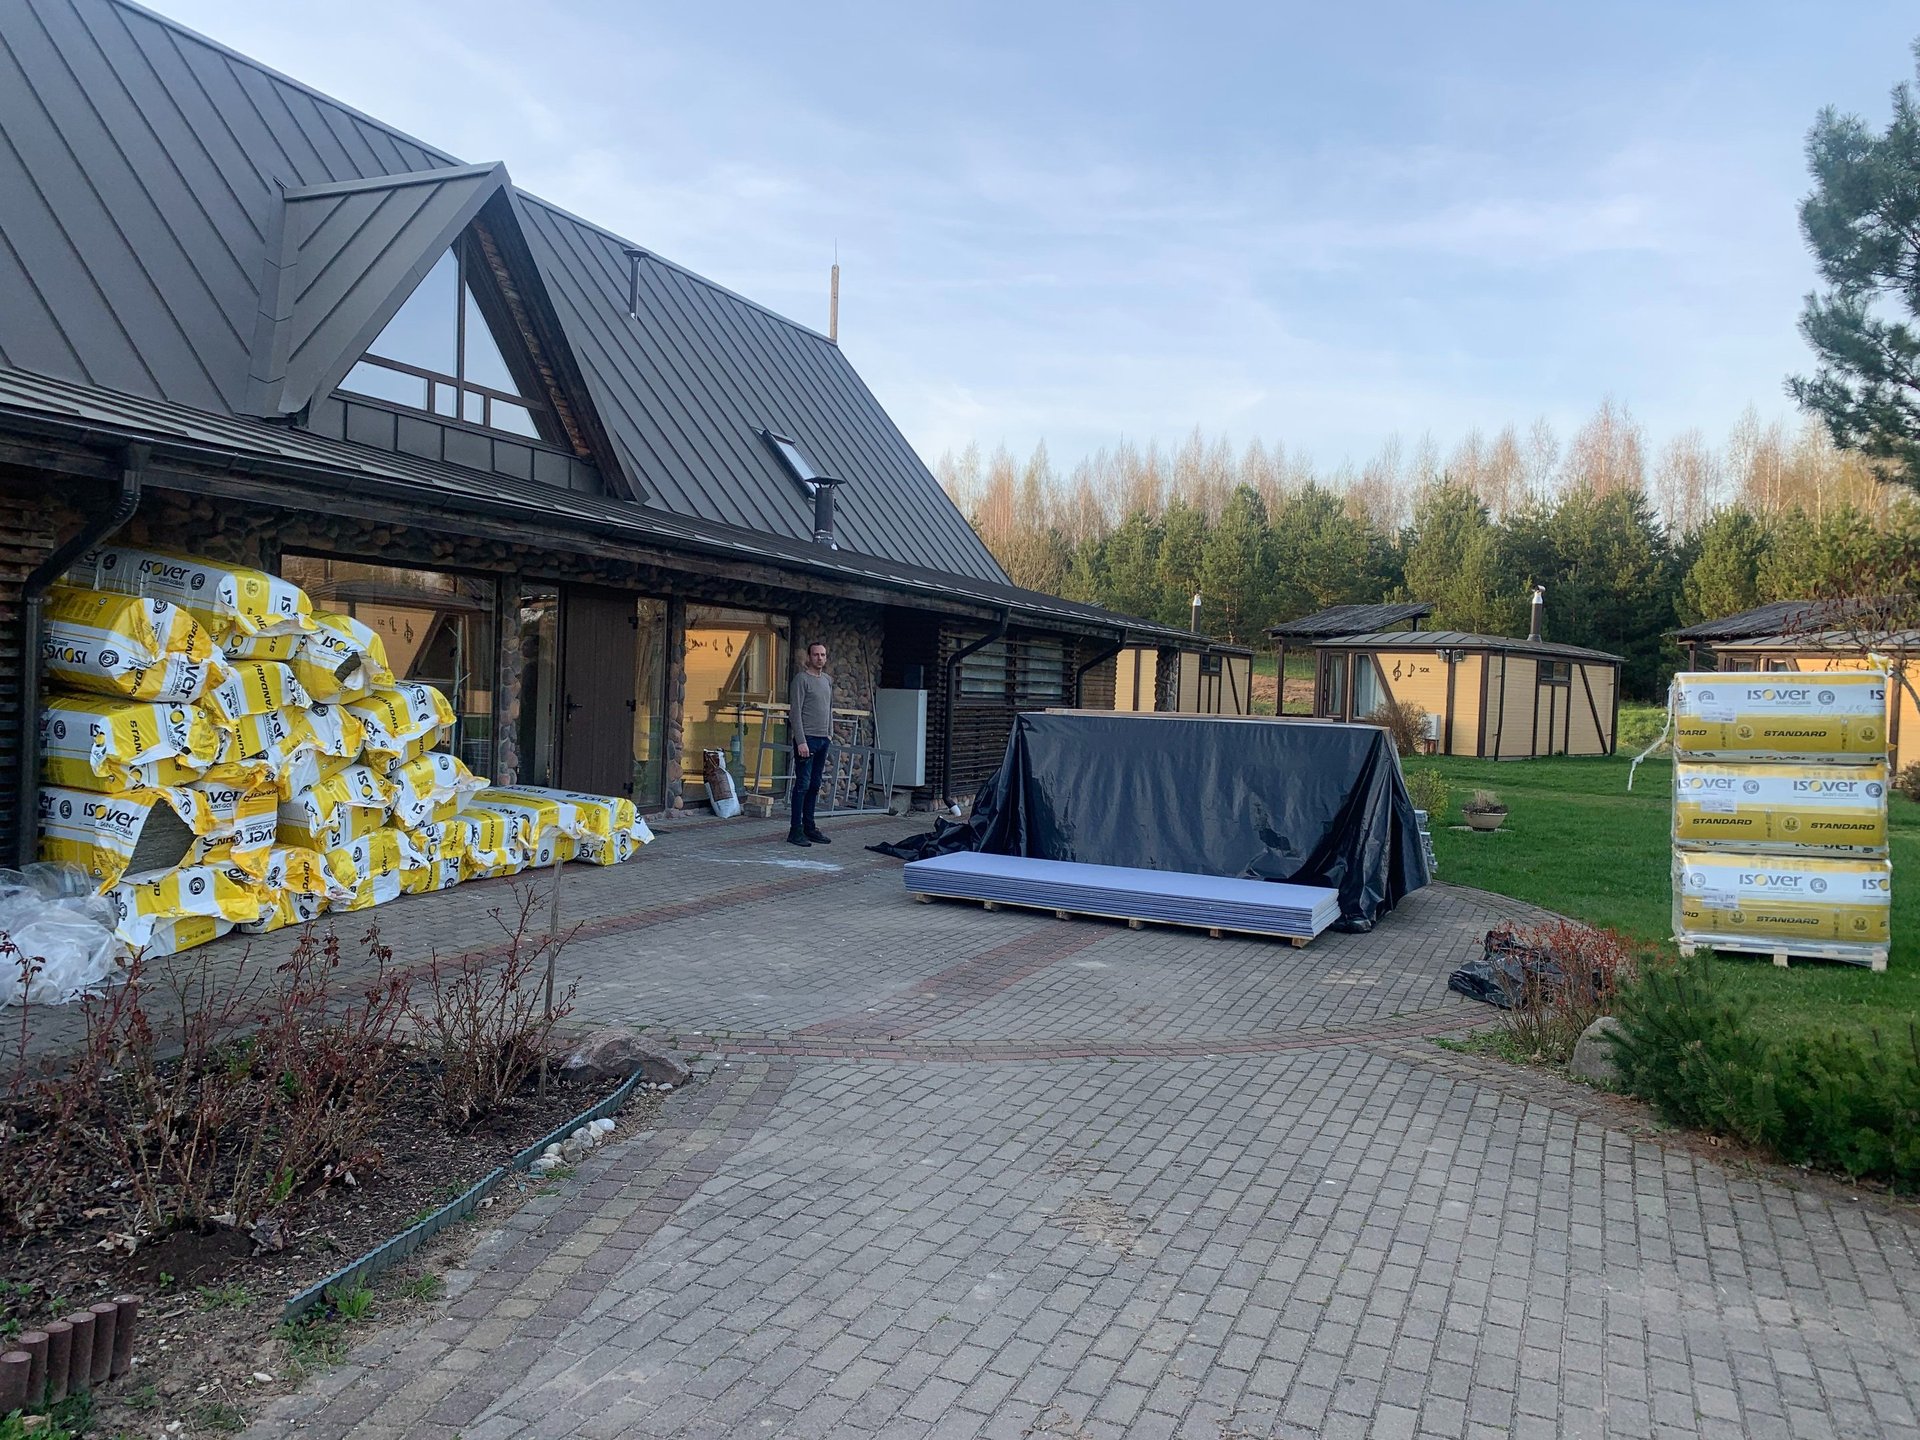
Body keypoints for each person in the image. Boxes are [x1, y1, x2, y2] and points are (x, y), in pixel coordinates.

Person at [788, 641, 833, 846]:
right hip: (807, 740)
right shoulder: (801, 680)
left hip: (823, 739)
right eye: (816, 655)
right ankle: (795, 830)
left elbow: (829, 708)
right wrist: (801, 740)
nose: (819, 658)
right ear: (809, 657)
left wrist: (830, 734)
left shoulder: (827, 680)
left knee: (815, 784)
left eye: (823, 655)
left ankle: (810, 827)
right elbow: (795, 712)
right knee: (803, 785)